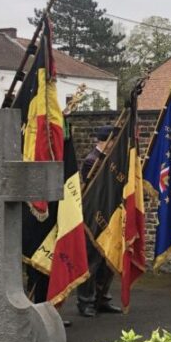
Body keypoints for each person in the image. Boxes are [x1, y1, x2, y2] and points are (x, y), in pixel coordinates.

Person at [76, 125, 122, 317]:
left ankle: (102, 298)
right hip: (93, 217)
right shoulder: (92, 161)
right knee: (92, 261)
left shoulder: (108, 161)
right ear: (107, 141)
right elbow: (99, 185)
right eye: (114, 141)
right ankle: (86, 301)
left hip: (108, 214)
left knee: (106, 260)